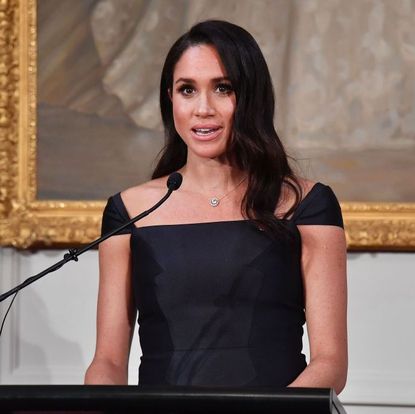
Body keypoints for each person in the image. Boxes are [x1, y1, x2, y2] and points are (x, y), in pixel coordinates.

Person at [84, 20, 347, 394]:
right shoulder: (129, 210)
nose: (202, 108)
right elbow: (107, 362)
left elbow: (331, 363)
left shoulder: (306, 205)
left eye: (223, 88)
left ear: (251, 97)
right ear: (169, 100)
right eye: (187, 90)